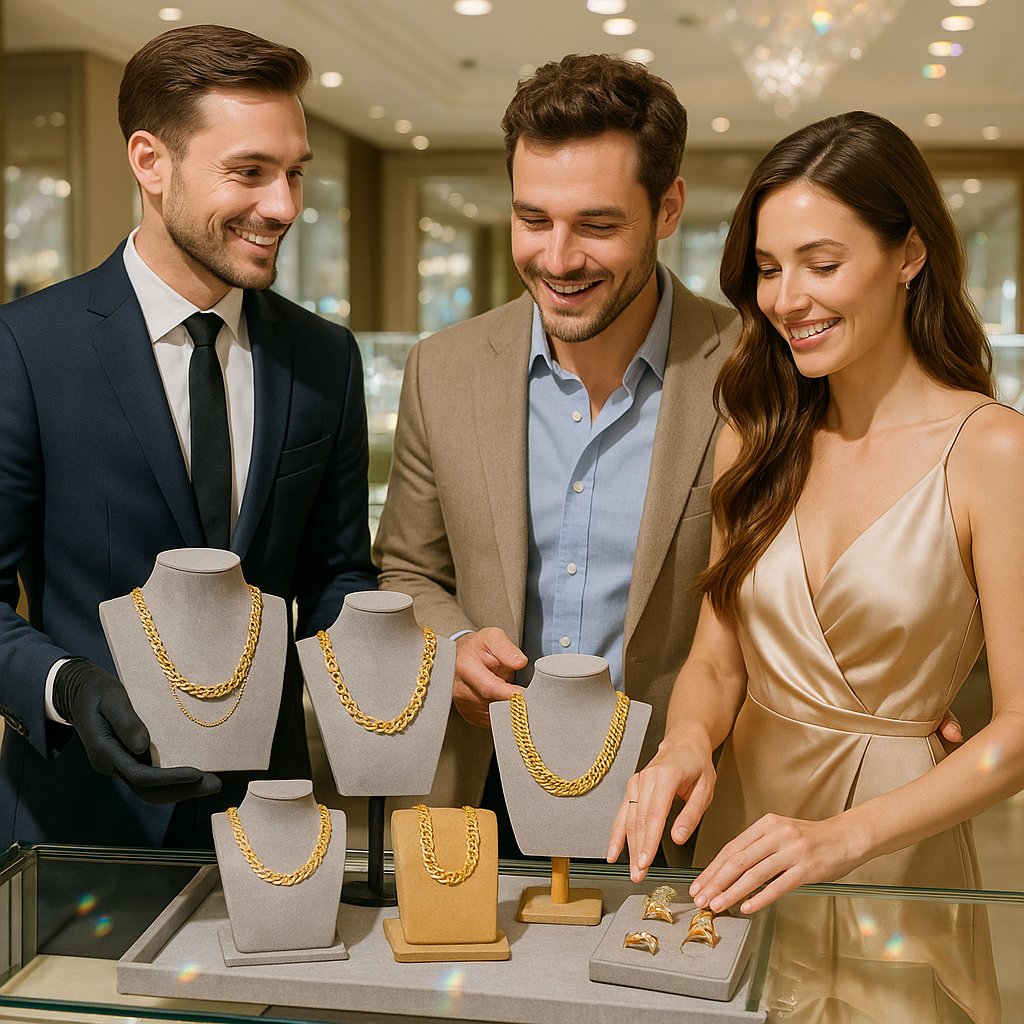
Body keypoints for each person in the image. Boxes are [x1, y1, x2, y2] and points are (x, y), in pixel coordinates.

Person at [609, 110, 1018, 1020]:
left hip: (894, 856)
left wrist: (843, 839)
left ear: (909, 254)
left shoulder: (992, 451)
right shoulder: (757, 436)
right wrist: (684, 744)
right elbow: (717, 660)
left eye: (821, 264)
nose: (787, 297)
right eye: (767, 267)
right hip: (741, 837)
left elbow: (1021, 729)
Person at [0, 24, 377, 848]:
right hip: (79, 825)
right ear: (150, 161)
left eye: (293, 173)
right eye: (249, 172)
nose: (284, 206)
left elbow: (338, 572)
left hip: (271, 832)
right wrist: (68, 685)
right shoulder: (26, 347)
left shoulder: (325, 358)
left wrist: (395, 651)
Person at [374, 53, 739, 854]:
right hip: (484, 791)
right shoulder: (445, 367)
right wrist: (453, 645)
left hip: (678, 804)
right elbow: (407, 570)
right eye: (533, 219)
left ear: (668, 207)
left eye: (598, 226)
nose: (559, 258)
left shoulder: (752, 370)